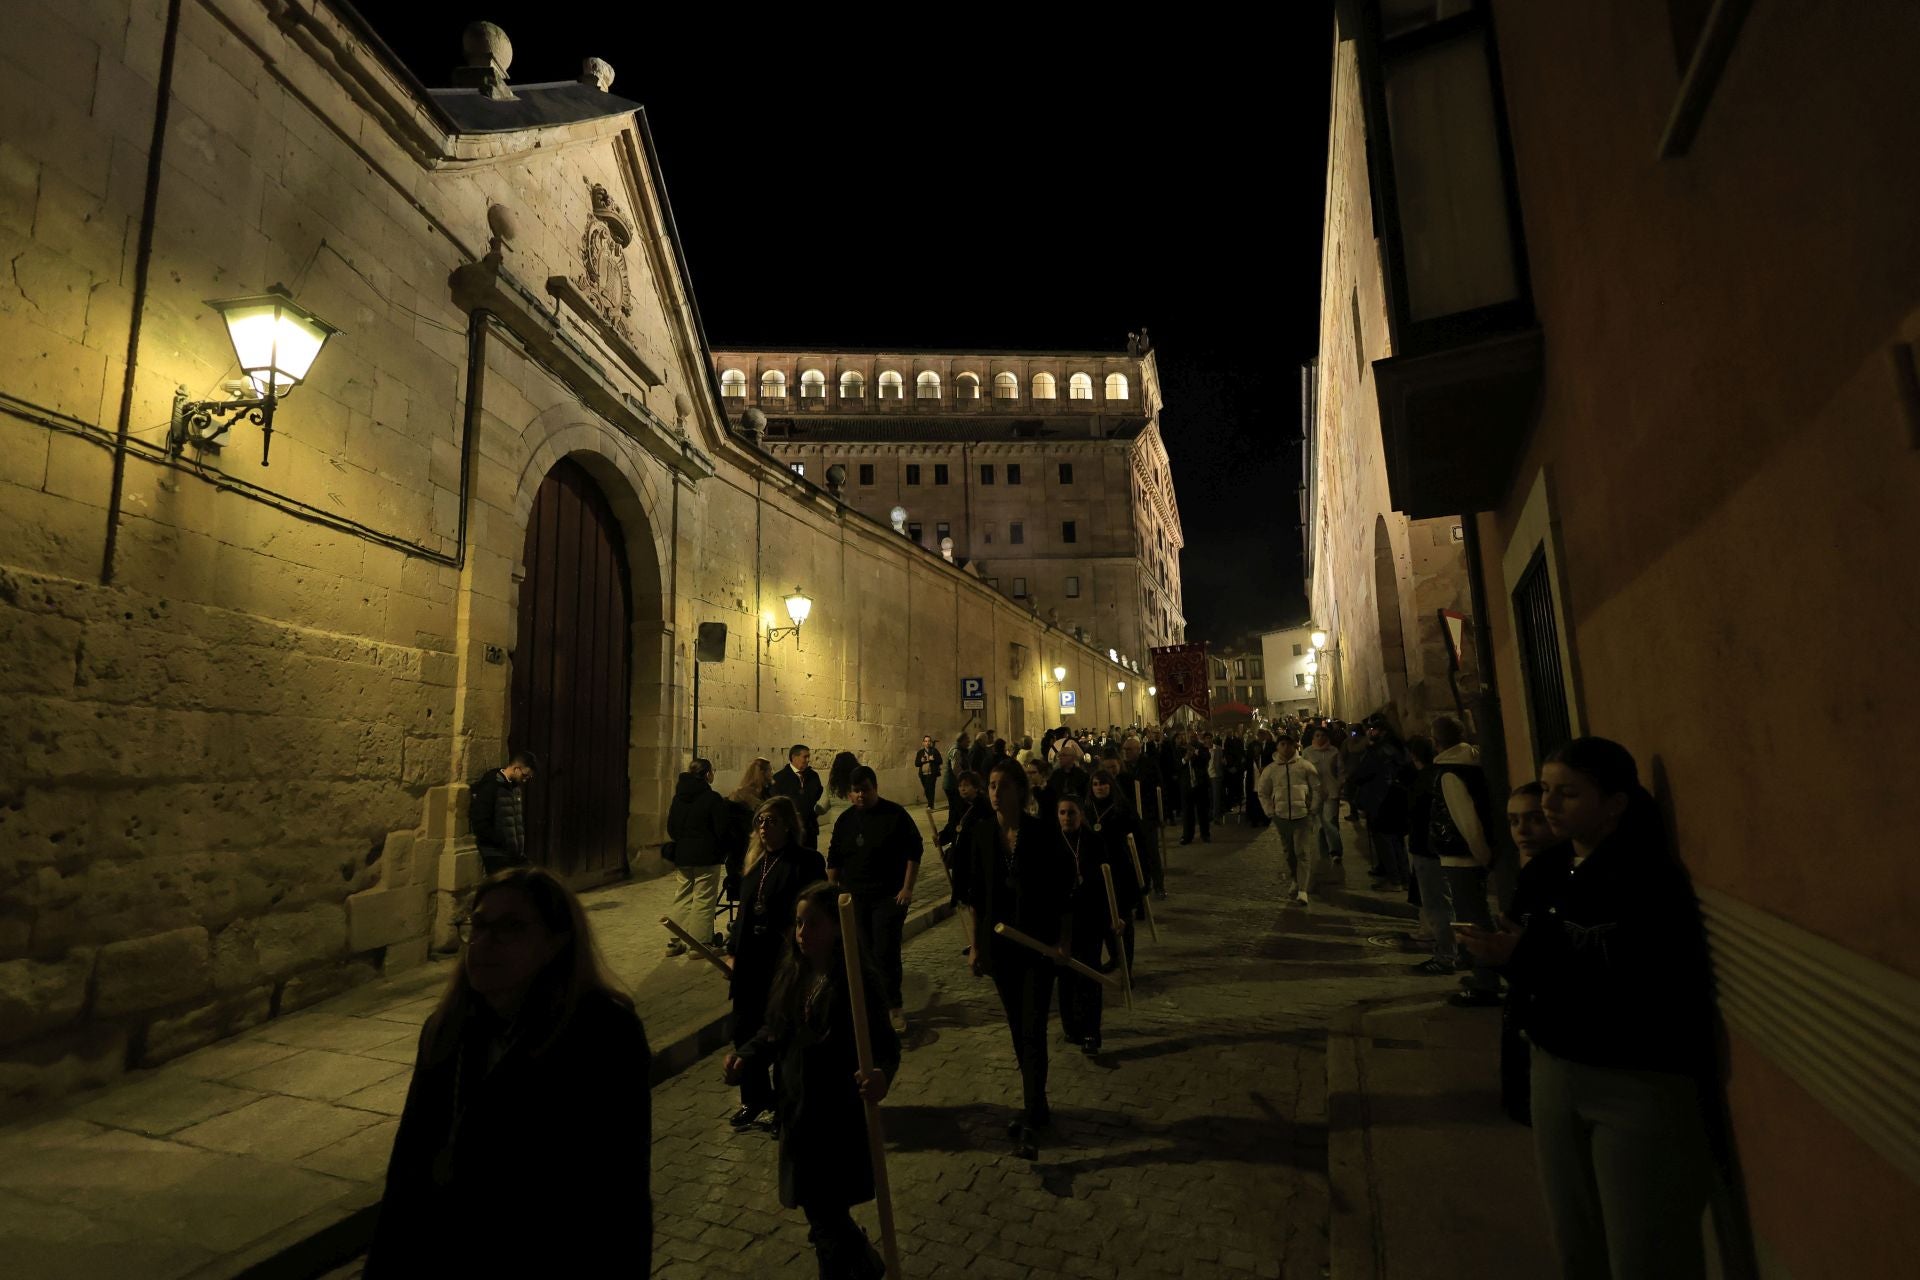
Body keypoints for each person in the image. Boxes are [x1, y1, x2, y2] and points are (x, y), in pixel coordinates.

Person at [1457, 739, 1719, 1280]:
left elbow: (1643, 978)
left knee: (1645, 1251)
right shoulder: (1546, 872)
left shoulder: (1647, 878)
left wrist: (1524, 954)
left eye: (1568, 793)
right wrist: (1506, 953)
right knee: (1576, 1241)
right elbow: (1539, 962)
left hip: (1634, 1077)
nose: (1550, 805)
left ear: (1615, 803)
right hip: (1554, 1065)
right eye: (1547, 789)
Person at [367, 867, 651, 1275]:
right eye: (478, 925)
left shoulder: (604, 1036)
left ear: (555, 943)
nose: (483, 943)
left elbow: (618, 1195)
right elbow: (408, 1169)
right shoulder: (448, 1028)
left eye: (510, 928)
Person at [724, 881, 897, 1280]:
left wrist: (880, 1076)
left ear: (837, 927)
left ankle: (860, 1267)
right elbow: (774, 1031)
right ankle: (861, 1265)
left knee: (825, 1217)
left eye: (812, 924)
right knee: (822, 1217)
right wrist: (744, 1058)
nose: (802, 933)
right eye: (799, 924)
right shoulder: (793, 974)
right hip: (797, 1113)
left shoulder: (856, 982)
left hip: (835, 1117)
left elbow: (884, 1047)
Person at [952, 758, 1074, 1160]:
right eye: (990, 784)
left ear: (1020, 791)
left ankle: (1034, 1109)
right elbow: (973, 895)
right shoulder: (983, 833)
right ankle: (1035, 1101)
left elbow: (1062, 891)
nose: (994, 791)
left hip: (1036, 946)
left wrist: (1062, 941)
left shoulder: (1041, 833)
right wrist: (975, 947)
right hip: (1001, 948)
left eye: (1003, 785)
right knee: (1018, 1025)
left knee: (1033, 1026)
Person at [726, 796, 826, 1129]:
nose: (764, 828)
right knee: (745, 1030)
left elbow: (813, 908)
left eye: (771, 821)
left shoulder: (805, 861)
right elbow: (743, 912)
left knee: (783, 1033)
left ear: (787, 825)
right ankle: (753, 1098)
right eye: (760, 822)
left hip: (783, 961)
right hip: (750, 963)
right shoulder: (755, 861)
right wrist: (732, 948)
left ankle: (786, 1107)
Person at [826, 766, 922, 1035]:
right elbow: (834, 857)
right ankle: (867, 1009)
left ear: (875, 788)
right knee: (861, 955)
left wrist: (907, 888)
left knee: (885, 953)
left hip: (887, 897)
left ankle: (894, 1007)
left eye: (864, 790)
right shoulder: (845, 821)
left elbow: (914, 851)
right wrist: (832, 891)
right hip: (855, 898)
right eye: (855, 791)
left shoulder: (895, 815)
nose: (860, 795)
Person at [1428, 716, 1501, 1007]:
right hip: (1467, 855)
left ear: (1437, 740)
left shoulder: (1450, 773)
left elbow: (1466, 819)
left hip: (1462, 857)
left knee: (1472, 919)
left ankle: (1486, 981)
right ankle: (1482, 973)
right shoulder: (1470, 762)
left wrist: (1481, 854)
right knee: (1474, 915)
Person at [1497, 780, 1552, 1125]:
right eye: (1514, 822)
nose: (1522, 831)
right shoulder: (1535, 871)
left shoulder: (1555, 876)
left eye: (1534, 819)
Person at [1055, 794, 1127, 1056]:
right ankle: (1071, 1026)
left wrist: (1114, 915)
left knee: (1089, 976)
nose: (1066, 817)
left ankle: (1090, 1032)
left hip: (1090, 918)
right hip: (1062, 922)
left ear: (1080, 815)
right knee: (1065, 978)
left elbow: (1108, 880)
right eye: (1062, 812)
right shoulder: (1053, 843)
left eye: (1071, 812)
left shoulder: (1094, 842)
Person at [1404, 734, 1460, 976]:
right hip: (1434, 847)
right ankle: (1456, 951)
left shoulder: (1428, 779)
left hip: (1428, 849)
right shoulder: (1439, 775)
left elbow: (1418, 813)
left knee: (1437, 904)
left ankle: (1446, 956)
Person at [664, 757, 729, 956]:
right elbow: (721, 829)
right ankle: (700, 944)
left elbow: (672, 828)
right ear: (708, 774)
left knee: (682, 895)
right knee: (703, 898)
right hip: (706, 855)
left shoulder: (678, 798)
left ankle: (674, 941)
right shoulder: (712, 798)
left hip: (683, 854)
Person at [1084, 769, 1144, 970]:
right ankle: (1115, 957)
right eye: (1095, 784)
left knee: (1123, 921)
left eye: (1103, 783)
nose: (1099, 788)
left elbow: (1138, 840)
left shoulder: (1122, 808)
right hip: (1096, 872)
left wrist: (1143, 875)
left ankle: (1127, 967)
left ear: (1110, 785)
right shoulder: (1087, 809)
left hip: (1120, 872)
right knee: (1103, 921)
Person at [1256, 732, 1321, 906]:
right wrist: (1271, 811)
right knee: (1290, 853)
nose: (1286, 748)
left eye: (1289, 744)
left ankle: (1302, 890)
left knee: (1302, 852)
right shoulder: (1271, 769)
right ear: (1277, 747)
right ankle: (1295, 878)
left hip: (1302, 816)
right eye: (1282, 744)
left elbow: (1317, 788)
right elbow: (1262, 792)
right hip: (1282, 817)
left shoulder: (1305, 766)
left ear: (1295, 746)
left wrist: (1312, 809)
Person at [1349, 718, 1411, 887]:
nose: (1369, 732)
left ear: (1382, 731)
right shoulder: (1396, 747)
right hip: (1394, 798)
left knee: (1385, 840)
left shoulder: (1380, 751)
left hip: (1381, 800)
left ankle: (1394, 879)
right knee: (1396, 839)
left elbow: (1362, 773)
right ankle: (1403, 875)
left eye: (1372, 729)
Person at [468, 750, 537, 873]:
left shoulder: (515, 788)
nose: (525, 780)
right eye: (525, 775)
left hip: (513, 853)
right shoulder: (492, 785)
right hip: (496, 853)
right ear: (516, 768)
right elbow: (480, 821)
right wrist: (499, 841)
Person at [1119, 735, 1167, 899]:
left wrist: (1159, 813)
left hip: (1146, 816)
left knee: (1151, 852)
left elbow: (1158, 788)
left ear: (1138, 750)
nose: (1126, 752)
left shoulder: (1148, 765)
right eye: (1124, 749)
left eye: (1129, 749)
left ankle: (1158, 885)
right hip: (1129, 816)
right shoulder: (1122, 767)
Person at [935, 770, 989, 910]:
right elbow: (952, 825)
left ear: (976, 787)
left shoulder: (983, 806)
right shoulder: (957, 804)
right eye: (960, 786)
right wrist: (942, 837)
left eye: (966, 785)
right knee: (964, 896)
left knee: (976, 896)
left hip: (975, 855)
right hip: (961, 854)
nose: (962, 789)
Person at [1303, 727, 1345, 863]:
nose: (1319, 738)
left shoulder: (1334, 751)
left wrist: (1339, 784)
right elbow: (1303, 773)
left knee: (1330, 821)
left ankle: (1335, 851)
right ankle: (1324, 850)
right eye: (1317, 735)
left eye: (1322, 735)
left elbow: (1341, 770)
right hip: (1315, 793)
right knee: (1320, 824)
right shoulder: (1307, 752)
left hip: (1331, 791)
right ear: (1313, 737)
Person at [771, 744, 826, 850]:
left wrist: (813, 814)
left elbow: (819, 796)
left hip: (810, 830)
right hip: (791, 830)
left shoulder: (813, 776)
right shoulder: (780, 778)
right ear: (794, 757)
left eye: (808, 757)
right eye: (805, 757)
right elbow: (776, 803)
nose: (808, 760)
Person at [1179, 733, 1213, 845]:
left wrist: (1195, 753)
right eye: (1189, 735)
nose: (1191, 737)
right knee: (1187, 813)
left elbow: (1206, 759)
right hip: (1187, 785)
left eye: (1193, 736)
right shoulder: (1180, 748)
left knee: (1203, 811)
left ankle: (1205, 834)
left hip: (1200, 784)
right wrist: (1185, 758)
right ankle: (1187, 836)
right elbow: (1177, 765)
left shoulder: (1201, 748)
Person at [914, 734, 942, 813]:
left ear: (930, 742)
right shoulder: (920, 752)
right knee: (926, 790)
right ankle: (930, 803)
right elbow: (916, 764)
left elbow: (940, 761)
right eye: (926, 741)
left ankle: (930, 805)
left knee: (931, 788)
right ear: (923, 743)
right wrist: (921, 761)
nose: (927, 743)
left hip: (932, 774)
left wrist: (933, 759)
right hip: (923, 775)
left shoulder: (934, 751)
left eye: (929, 741)